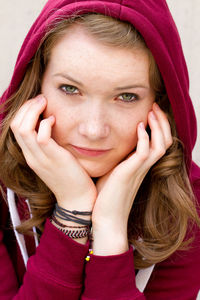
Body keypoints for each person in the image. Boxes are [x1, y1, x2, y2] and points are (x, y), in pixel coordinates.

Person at [0, 0, 200, 299]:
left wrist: (110, 230)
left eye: (127, 96)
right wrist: (72, 211)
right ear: (35, 85)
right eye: (70, 89)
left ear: (161, 105)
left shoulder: (189, 204)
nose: (93, 130)